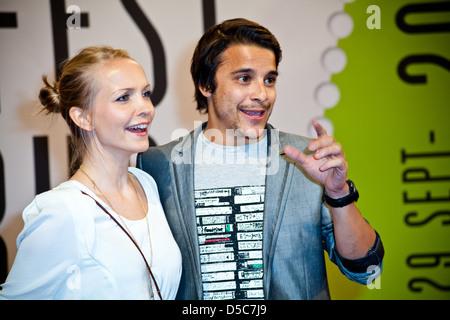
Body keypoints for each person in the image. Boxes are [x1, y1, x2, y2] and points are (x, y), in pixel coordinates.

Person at [137, 18, 384, 300]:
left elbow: (367, 270)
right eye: (244, 78)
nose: (262, 95)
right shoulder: (156, 165)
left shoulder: (307, 160)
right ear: (206, 84)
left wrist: (339, 193)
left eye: (269, 79)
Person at [0, 46, 181, 300]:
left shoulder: (146, 183)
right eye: (123, 98)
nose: (146, 108)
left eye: (145, 93)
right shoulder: (61, 210)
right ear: (83, 117)